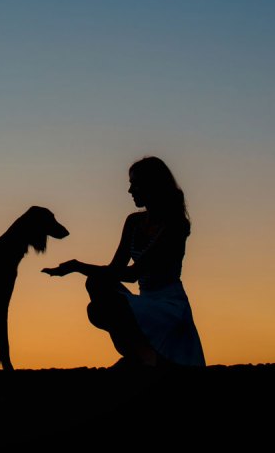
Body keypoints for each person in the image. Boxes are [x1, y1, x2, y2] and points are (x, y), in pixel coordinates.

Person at [42, 156, 205, 367]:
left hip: (168, 305)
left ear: (151, 184)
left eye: (134, 184)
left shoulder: (175, 225)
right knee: (96, 289)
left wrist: (78, 266)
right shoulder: (133, 222)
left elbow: (132, 274)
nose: (130, 190)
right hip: (146, 299)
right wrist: (83, 271)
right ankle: (137, 354)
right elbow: (115, 269)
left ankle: (148, 358)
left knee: (101, 294)